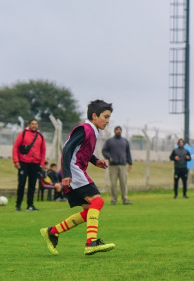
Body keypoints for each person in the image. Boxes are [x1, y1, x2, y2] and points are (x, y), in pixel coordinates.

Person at [39, 100, 116, 256]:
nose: (108, 121)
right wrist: (66, 174)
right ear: (95, 116)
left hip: (76, 171)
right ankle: (91, 243)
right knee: (98, 201)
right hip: (74, 172)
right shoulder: (85, 129)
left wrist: (95, 161)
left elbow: (81, 151)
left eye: (109, 117)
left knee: (88, 212)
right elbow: (67, 149)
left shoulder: (93, 131)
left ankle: (52, 232)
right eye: (105, 117)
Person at [12, 119, 46, 211]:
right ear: (29, 125)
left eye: (36, 124)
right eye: (32, 124)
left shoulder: (40, 136)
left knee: (32, 185)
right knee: (21, 184)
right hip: (23, 163)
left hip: (35, 164)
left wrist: (41, 163)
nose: (34, 125)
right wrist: (16, 161)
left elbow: (43, 151)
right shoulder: (22, 134)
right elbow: (15, 148)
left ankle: (30, 205)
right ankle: (18, 205)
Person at [102, 126, 133, 205]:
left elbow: (128, 152)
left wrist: (130, 163)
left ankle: (125, 199)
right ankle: (114, 199)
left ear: (121, 131)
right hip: (113, 166)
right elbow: (104, 150)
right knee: (113, 183)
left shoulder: (125, 141)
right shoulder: (109, 141)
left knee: (124, 183)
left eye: (119, 130)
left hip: (123, 165)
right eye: (117, 130)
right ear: (114, 131)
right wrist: (109, 157)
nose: (118, 131)